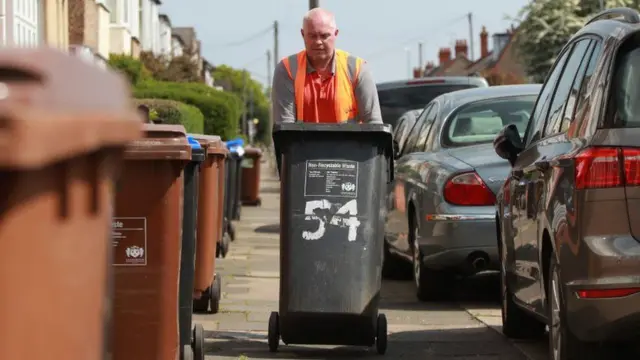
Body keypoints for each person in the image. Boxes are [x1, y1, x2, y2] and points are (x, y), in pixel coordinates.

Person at [271, 8, 382, 124]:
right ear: (303, 34)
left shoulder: (357, 69)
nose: (318, 42)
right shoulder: (287, 69)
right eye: (312, 36)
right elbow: (285, 128)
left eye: (324, 36)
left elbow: (374, 124)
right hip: (303, 142)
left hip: (348, 142)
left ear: (336, 34)